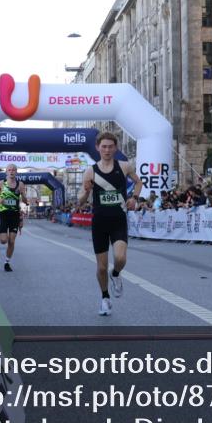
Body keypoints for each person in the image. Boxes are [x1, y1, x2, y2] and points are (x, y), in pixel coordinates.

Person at [78, 132, 142, 316]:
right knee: (101, 267)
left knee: (120, 259)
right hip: (99, 222)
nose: (107, 150)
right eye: (103, 146)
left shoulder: (124, 166)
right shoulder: (90, 171)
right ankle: (105, 298)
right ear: (98, 148)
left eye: (110, 146)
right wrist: (86, 191)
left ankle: (116, 275)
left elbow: (139, 183)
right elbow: (81, 200)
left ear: (115, 148)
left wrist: (134, 198)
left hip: (118, 220)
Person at [0, 164, 26, 272]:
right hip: (4, 214)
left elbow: (25, 201)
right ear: (6, 172)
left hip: (15, 215)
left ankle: (7, 262)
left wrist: (23, 195)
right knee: (3, 241)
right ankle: (3, 234)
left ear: (16, 172)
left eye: (13, 170)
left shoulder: (20, 184)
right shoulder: (1, 183)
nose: (11, 172)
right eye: (9, 170)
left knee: (11, 241)